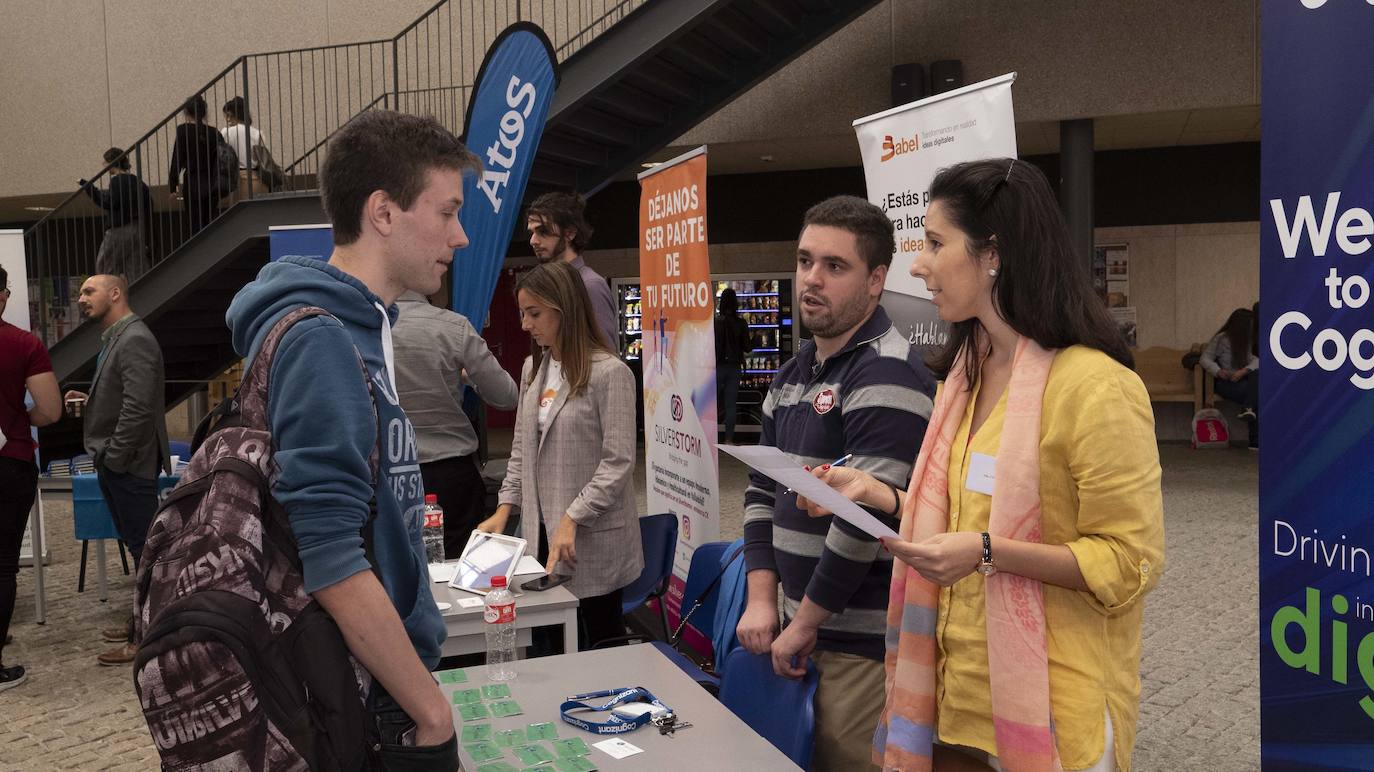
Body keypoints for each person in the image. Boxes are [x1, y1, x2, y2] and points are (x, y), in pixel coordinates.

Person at [802, 159, 1165, 771]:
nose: (918, 265)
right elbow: (961, 513)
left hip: (1050, 711)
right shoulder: (963, 377)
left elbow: (1131, 562)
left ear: (992, 253)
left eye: (936, 244)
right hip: (950, 702)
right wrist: (878, 495)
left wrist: (989, 552)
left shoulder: (1096, 388)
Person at [226, 110, 479, 768]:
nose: (462, 235)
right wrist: (429, 708)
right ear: (384, 212)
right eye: (447, 211)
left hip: (364, 678)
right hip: (358, 691)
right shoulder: (322, 340)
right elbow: (332, 558)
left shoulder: (363, 327)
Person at [735, 195, 935, 771]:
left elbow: (863, 523)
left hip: (856, 648)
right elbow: (760, 491)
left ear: (877, 280)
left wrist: (804, 622)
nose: (811, 280)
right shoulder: (795, 370)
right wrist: (761, 598)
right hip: (795, 628)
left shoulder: (888, 372)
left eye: (834, 266)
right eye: (804, 262)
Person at [479, 260, 643, 650]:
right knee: (548, 644)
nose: (524, 325)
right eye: (521, 313)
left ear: (564, 309)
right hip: (541, 538)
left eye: (534, 313)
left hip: (593, 541)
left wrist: (573, 515)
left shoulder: (610, 373)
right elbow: (521, 447)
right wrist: (505, 508)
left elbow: (618, 462)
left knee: (598, 645)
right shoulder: (533, 369)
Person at [63, 273, 171, 667]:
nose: (81, 298)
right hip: (121, 462)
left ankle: (148, 637)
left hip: (129, 464)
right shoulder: (118, 338)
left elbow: (139, 410)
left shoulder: (135, 339)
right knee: (140, 548)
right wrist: (91, 400)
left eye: (89, 291)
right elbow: (126, 396)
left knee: (146, 553)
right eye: (80, 292)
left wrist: (114, 456)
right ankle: (139, 622)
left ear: (115, 294)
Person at [392, 291, 518, 557]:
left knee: (395, 565)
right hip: (452, 475)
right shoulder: (453, 326)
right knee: (459, 567)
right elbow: (506, 396)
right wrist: (468, 377)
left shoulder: (364, 327)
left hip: (390, 472)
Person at [0, 266, 62, 693]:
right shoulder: (24, 344)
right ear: (2, 297)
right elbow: (51, 411)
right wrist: (21, 418)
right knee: (2, 565)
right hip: (9, 461)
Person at [526, 192, 617, 349]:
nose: (533, 240)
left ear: (569, 233)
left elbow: (606, 357)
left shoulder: (590, 285)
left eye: (543, 231)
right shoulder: (548, 284)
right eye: (532, 232)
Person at [80, 147, 153, 280]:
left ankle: (110, 297)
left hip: (119, 230)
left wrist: (89, 188)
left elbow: (108, 202)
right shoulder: (139, 182)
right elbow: (149, 206)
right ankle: (141, 297)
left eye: (105, 162)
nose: (104, 166)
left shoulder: (116, 181)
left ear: (111, 162)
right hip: (138, 229)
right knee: (136, 269)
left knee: (105, 266)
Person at [1202, 306, 1259, 449]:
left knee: (1257, 382)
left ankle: (1248, 408)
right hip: (1226, 382)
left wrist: (1244, 371)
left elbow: (1255, 360)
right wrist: (1219, 371)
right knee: (1258, 393)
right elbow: (1205, 359)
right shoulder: (1222, 339)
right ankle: (1254, 440)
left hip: (1242, 381)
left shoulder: (1246, 341)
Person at [168, 94, 224, 234]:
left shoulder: (183, 130)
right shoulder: (214, 132)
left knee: (195, 222)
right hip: (212, 182)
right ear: (204, 112)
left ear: (186, 112)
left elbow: (177, 158)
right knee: (209, 220)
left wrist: (172, 185)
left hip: (193, 181)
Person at [714, 287, 750, 443]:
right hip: (734, 367)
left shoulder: (715, 322)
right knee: (730, 404)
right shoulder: (741, 323)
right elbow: (747, 347)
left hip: (716, 366)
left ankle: (709, 438)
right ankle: (729, 439)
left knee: (711, 404)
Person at [221, 96, 274, 198]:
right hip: (259, 180)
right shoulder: (257, 133)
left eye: (228, 116)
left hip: (238, 180)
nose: (227, 120)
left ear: (234, 114)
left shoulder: (226, 132)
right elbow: (264, 159)